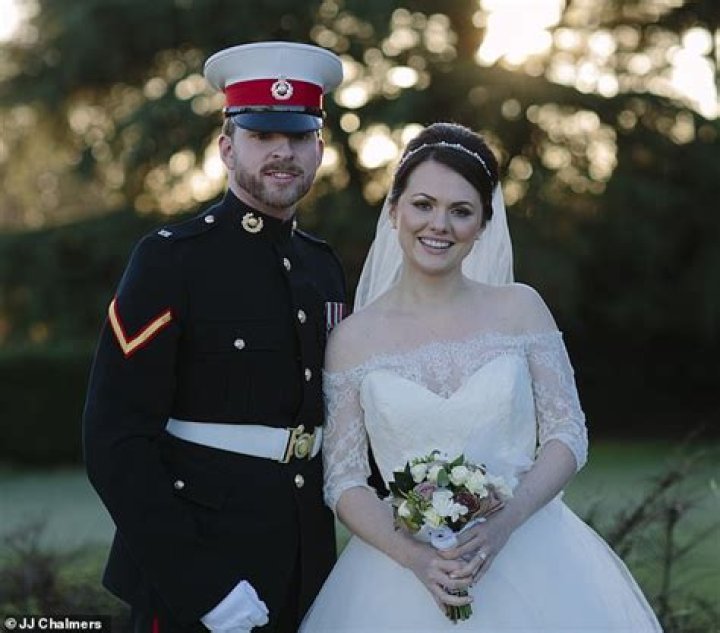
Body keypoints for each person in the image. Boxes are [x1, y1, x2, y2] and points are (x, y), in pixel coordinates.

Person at [299, 122, 663, 631]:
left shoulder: (521, 309)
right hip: (397, 578)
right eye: (423, 204)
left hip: (532, 553)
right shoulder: (352, 339)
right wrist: (417, 559)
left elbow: (567, 433)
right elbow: (344, 480)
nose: (439, 225)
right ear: (394, 210)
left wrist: (504, 525)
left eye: (461, 211)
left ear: (483, 224)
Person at [83, 42, 348, 633]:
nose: (283, 152)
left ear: (319, 149)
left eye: (299, 136)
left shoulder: (322, 267)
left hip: (306, 561)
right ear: (227, 148)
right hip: (201, 570)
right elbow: (114, 441)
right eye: (261, 135)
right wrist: (200, 586)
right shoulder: (170, 260)